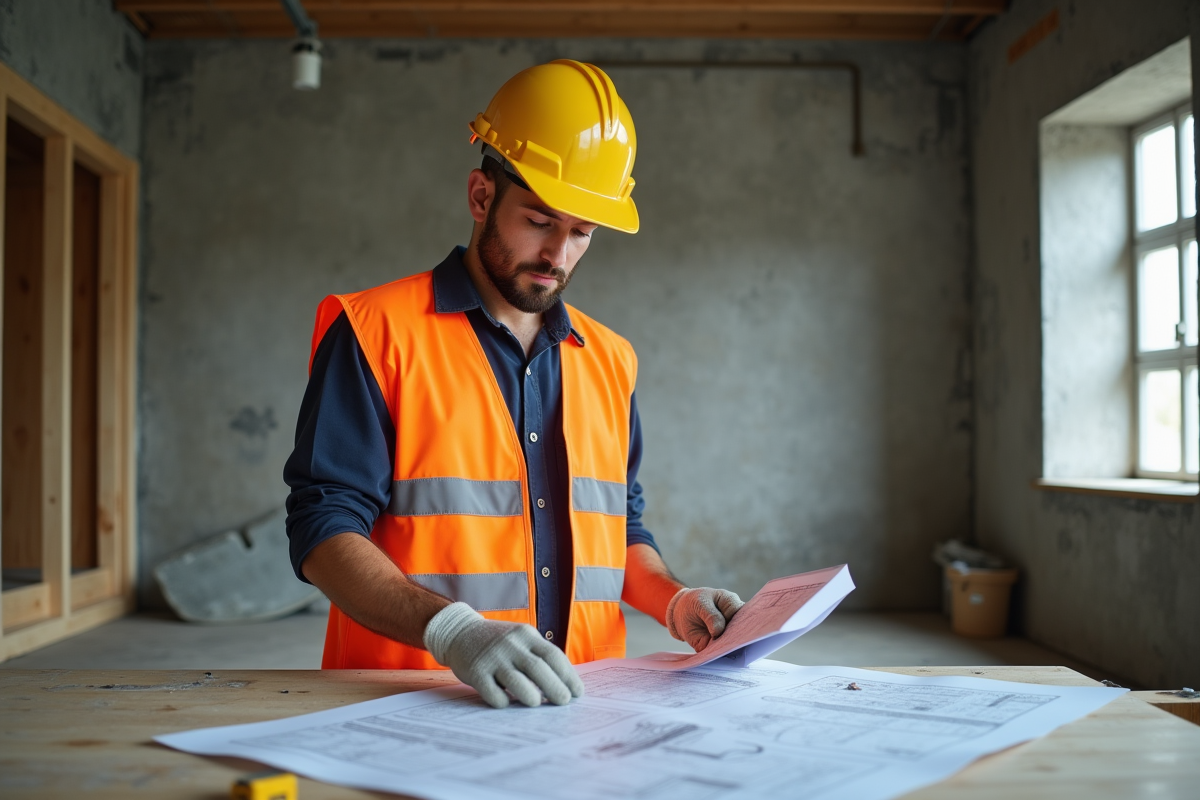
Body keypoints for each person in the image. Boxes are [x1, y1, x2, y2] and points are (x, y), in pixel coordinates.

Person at [284, 60, 744, 709]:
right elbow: (323, 529)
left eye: (581, 233)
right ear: (481, 197)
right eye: (539, 221)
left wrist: (675, 600)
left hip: (581, 711)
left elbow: (620, 531)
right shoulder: (374, 333)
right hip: (410, 703)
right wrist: (452, 632)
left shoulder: (610, 359)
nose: (558, 255)